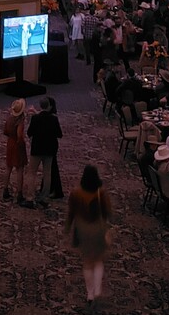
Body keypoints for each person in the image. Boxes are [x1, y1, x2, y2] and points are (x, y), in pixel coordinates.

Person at [66, 164, 112, 304]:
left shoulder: (76, 193)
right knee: (98, 260)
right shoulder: (101, 192)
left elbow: (71, 213)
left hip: (83, 230)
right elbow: (108, 212)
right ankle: (98, 288)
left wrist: (67, 228)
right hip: (98, 229)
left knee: (87, 262)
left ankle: (90, 293)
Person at [25, 97, 62, 210]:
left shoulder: (35, 118)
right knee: (47, 174)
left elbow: (29, 132)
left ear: (40, 106)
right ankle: (43, 198)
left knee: (32, 173)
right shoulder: (54, 119)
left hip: (37, 149)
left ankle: (30, 198)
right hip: (49, 150)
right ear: (49, 106)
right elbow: (59, 134)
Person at [2, 98, 28, 204]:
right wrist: (22, 144)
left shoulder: (9, 119)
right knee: (19, 169)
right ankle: (19, 194)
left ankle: (5, 190)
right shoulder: (20, 121)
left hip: (10, 143)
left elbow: (5, 131)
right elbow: (19, 136)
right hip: (17, 145)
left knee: (8, 167)